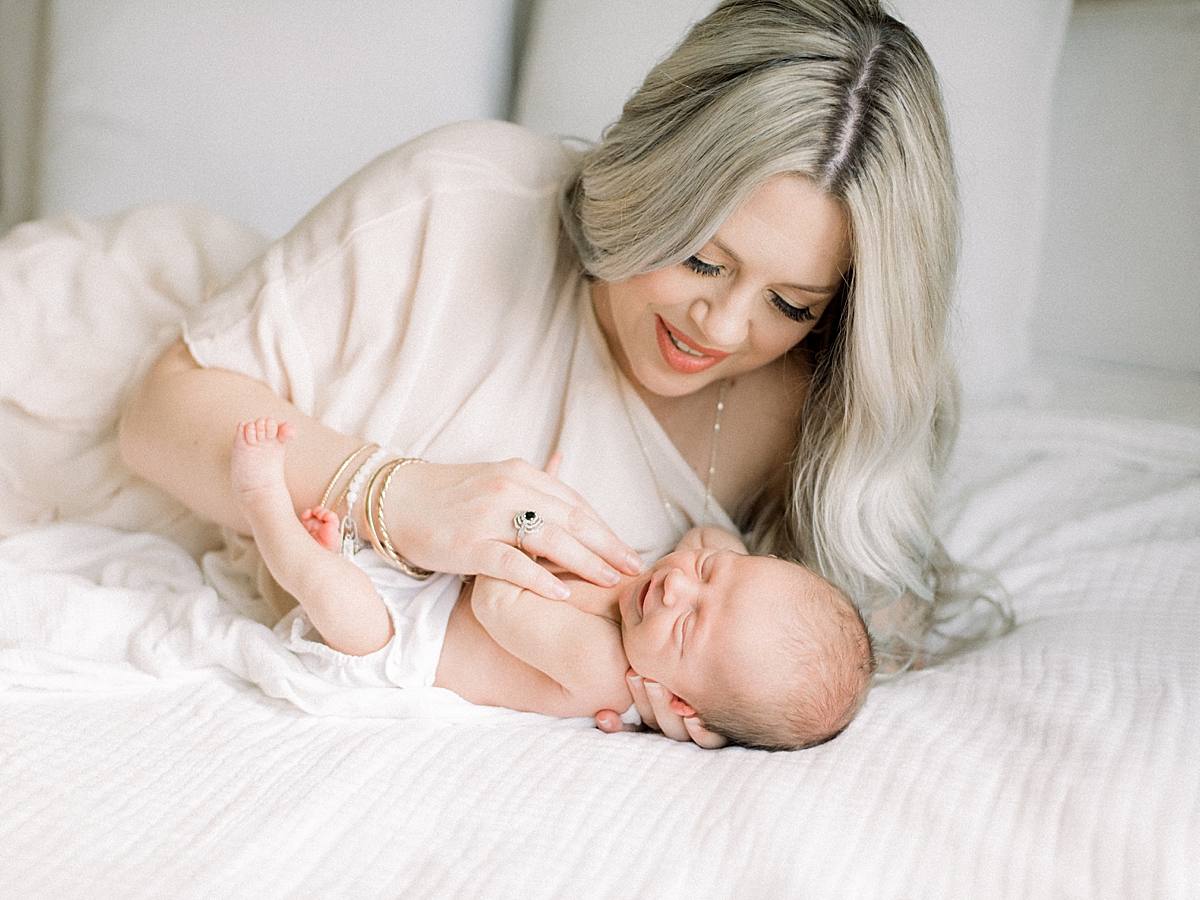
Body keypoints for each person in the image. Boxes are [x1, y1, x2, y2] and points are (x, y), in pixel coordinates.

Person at [119, 0, 990, 747]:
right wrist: (395, 494)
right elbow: (158, 417)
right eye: (700, 259)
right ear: (652, 181)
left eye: (792, 305)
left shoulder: (819, 414)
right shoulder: (464, 199)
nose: (723, 328)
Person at [232, 417, 874, 750]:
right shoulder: (657, 600)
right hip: (426, 589)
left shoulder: (602, 667)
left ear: (681, 707)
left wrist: (530, 517)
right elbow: (708, 535)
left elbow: (495, 598)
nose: (677, 586)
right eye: (708, 577)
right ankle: (324, 553)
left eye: (689, 622)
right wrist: (723, 558)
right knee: (346, 571)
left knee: (343, 607)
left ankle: (264, 503)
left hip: (402, 645)